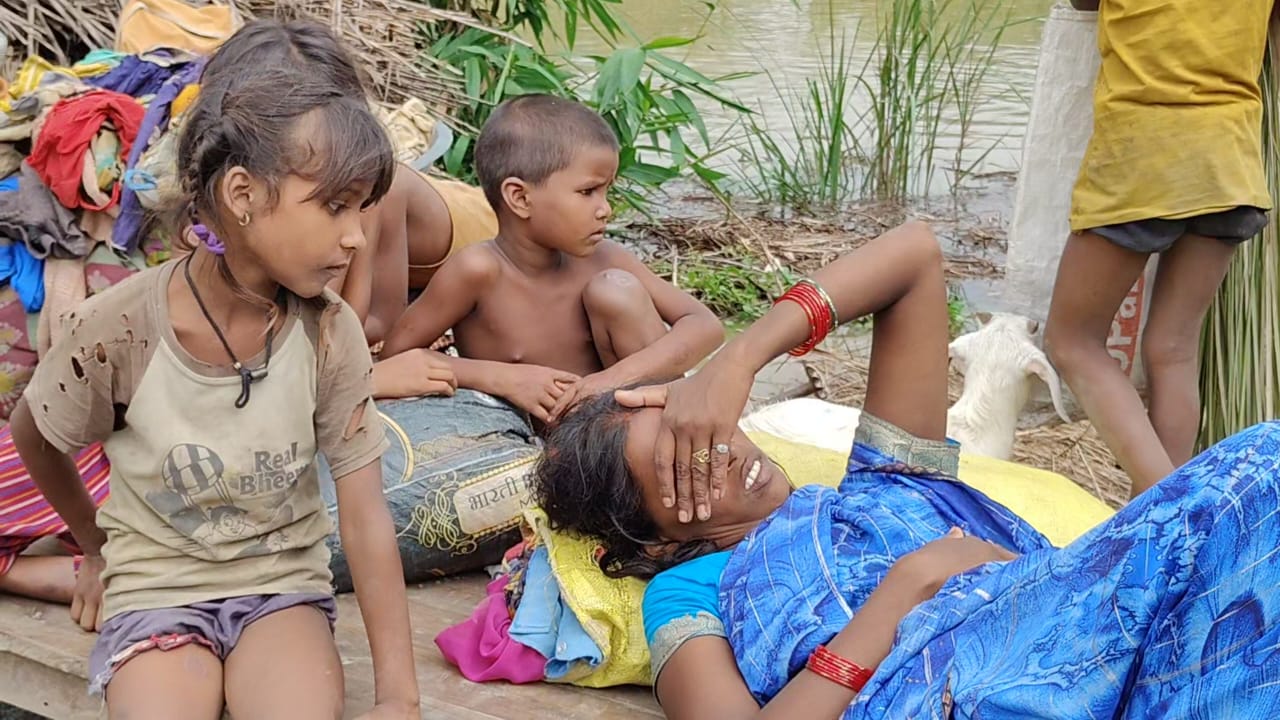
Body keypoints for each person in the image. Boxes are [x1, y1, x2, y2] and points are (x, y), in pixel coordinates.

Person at [533, 221, 1280, 719]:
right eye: (682, 464)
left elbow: (915, 254)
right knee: (1257, 462)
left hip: (1110, 653)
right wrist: (906, 588)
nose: (723, 450)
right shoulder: (686, 590)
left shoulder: (891, 479)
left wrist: (737, 360)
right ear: (656, 541)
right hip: (967, 691)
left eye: (706, 425)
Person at [7, 29, 419, 720]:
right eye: (336, 208)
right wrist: (95, 545)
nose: (355, 235)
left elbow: (365, 515)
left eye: (362, 209)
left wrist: (399, 698)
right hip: (156, 589)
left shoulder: (328, 329)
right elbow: (33, 432)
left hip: (280, 589)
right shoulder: (125, 325)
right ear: (242, 192)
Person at [1044, 0, 1275, 498]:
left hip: (1143, 153)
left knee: (1072, 341)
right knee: (1173, 349)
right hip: (1230, 158)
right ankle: (1156, 538)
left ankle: (1172, 514)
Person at [379, 94, 724, 424]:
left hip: (621, 424)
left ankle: (669, 431)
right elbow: (397, 359)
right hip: (534, 444)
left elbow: (704, 325)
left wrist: (607, 381)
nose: (605, 209)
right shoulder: (478, 271)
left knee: (615, 290)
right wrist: (503, 377)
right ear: (520, 198)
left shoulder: (605, 259)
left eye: (607, 191)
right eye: (588, 192)